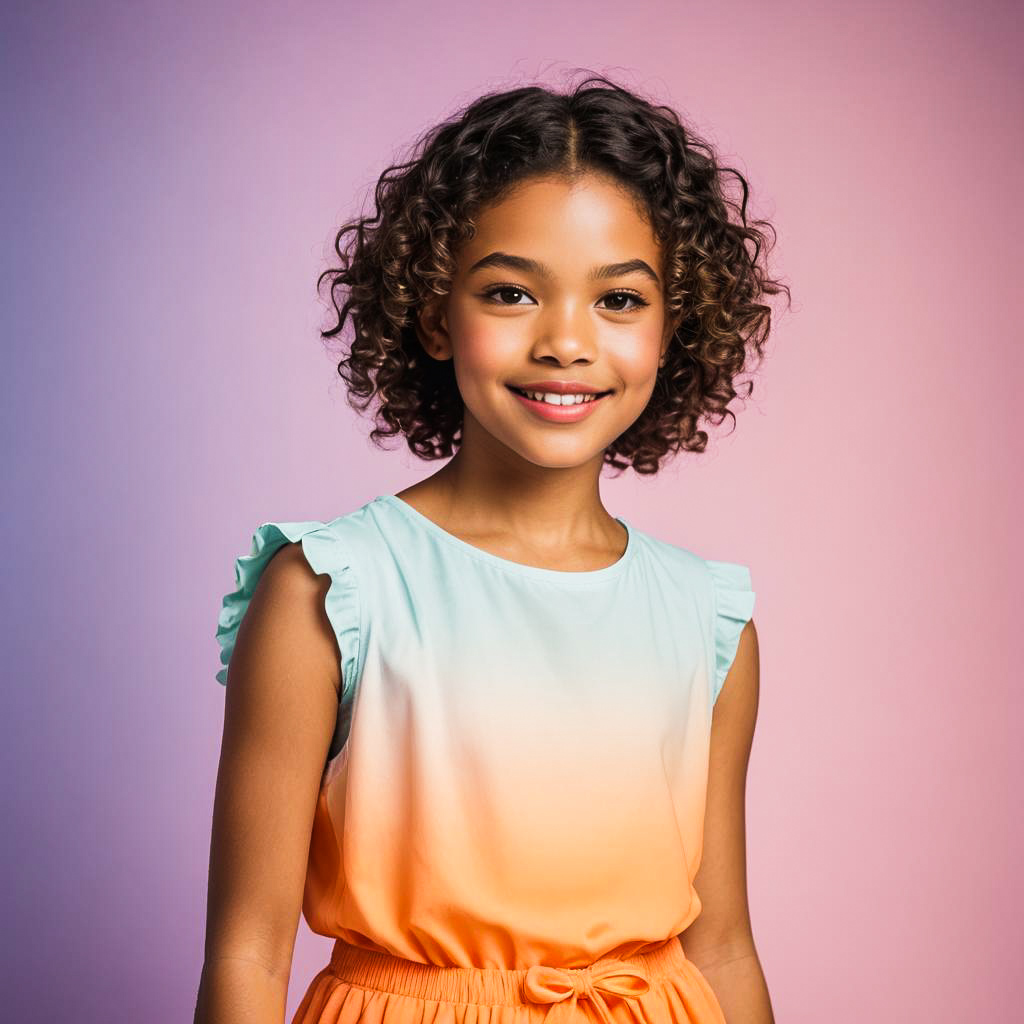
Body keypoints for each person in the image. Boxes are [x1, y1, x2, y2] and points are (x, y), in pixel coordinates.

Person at [195, 72, 789, 1024]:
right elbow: (248, 956)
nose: (565, 341)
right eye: (512, 292)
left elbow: (720, 945)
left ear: (677, 326)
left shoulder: (707, 620)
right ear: (434, 310)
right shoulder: (332, 591)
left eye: (620, 300)